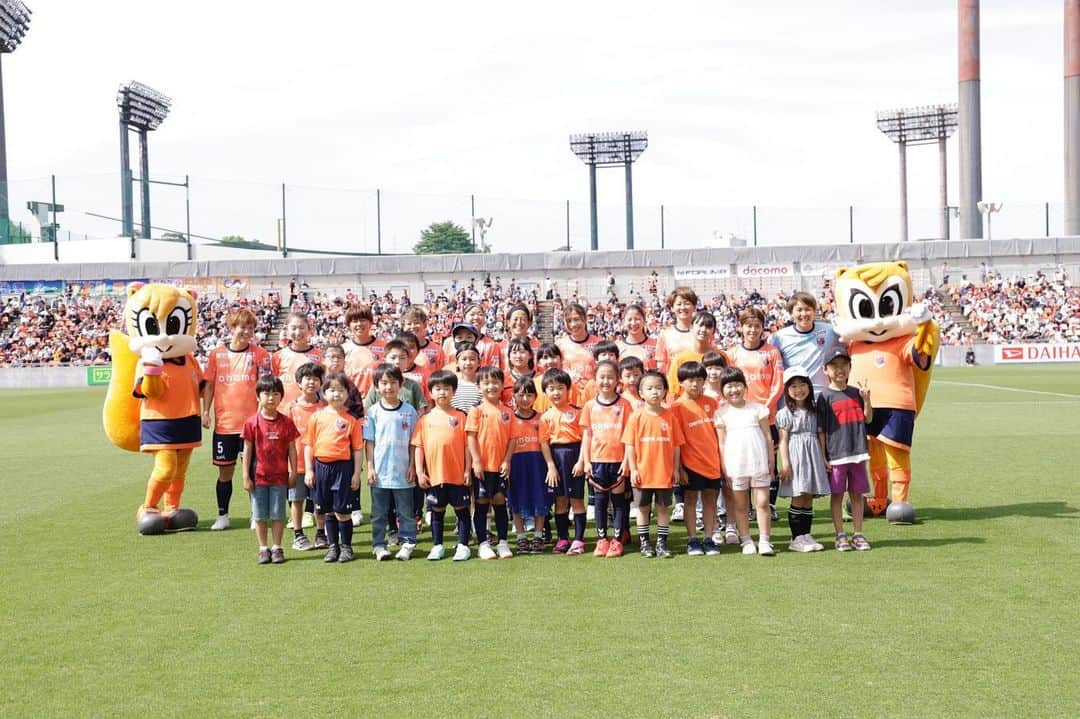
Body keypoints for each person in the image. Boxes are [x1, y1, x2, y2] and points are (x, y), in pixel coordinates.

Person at [202, 308, 273, 531]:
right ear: (232, 328)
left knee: (254, 471)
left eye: (251, 328)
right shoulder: (216, 354)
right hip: (225, 425)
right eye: (242, 327)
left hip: (251, 425)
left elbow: (265, 387)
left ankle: (256, 515)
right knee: (225, 472)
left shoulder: (261, 355)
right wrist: (205, 411)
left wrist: (261, 416)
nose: (246, 332)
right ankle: (223, 516)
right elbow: (210, 385)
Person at [728, 307, 785, 520]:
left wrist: (766, 407)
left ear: (763, 328)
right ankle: (749, 507)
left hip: (765, 416)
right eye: (748, 326)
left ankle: (768, 504)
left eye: (757, 326)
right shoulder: (733, 353)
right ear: (741, 328)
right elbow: (729, 383)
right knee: (745, 460)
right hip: (740, 418)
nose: (752, 330)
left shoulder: (771, 352)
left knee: (769, 460)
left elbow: (777, 382)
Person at [621, 370, 685, 558]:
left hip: (664, 473)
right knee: (643, 508)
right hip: (642, 472)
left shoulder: (670, 417)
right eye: (649, 388)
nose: (655, 392)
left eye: (659, 388)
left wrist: (675, 469)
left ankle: (661, 543)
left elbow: (676, 446)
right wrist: (632, 469)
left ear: (665, 391)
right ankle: (645, 543)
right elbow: (630, 445)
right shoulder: (636, 417)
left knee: (663, 508)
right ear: (641, 393)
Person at [412, 371, 474, 561]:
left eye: (447, 389)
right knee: (436, 511)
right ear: (430, 392)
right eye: (438, 389)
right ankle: (437, 545)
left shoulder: (461, 416)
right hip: (435, 475)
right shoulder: (424, 420)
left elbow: (467, 446)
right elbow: (418, 447)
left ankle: (463, 545)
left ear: (453, 391)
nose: (442, 393)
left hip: (457, 474)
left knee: (462, 509)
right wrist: (420, 472)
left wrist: (467, 470)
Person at [817, 348, 874, 552]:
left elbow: (868, 419)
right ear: (826, 369)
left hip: (858, 452)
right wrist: (824, 456)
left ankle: (858, 533)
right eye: (835, 365)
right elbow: (821, 431)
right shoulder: (824, 397)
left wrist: (866, 399)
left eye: (844, 365)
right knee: (838, 495)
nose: (840, 370)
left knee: (857, 495)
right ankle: (840, 534)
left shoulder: (856, 393)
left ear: (850, 368)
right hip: (837, 455)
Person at [715, 367, 776, 556]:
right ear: (722, 390)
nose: (734, 390)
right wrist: (725, 468)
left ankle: (765, 540)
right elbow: (722, 443)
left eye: (737, 385)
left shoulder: (757, 408)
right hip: (736, 464)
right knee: (740, 505)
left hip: (758, 461)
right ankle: (746, 539)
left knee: (763, 502)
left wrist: (771, 461)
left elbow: (768, 437)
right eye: (728, 386)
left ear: (745, 386)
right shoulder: (721, 413)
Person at [303, 372, 364, 563]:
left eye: (340, 390)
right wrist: (309, 470)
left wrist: (356, 473)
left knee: (343, 511)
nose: (336, 394)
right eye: (331, 390)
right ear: (324, 393)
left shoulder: (351, 420)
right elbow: (309, 445)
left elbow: (357, 449)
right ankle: (332, 546)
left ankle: (346, 547)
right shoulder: (316, 417)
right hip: (321, 467)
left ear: (347, 394)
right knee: (326, 510)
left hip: (343, 468)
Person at [364, 364, 420, 561]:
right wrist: (370, 467)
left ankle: (407, 543)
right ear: (377, 386)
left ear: (400, 384)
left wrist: (413, 465)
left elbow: (414, 442)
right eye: (384, 383)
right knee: (378, 512)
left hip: (403, 471)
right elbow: (369, 442)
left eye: (393, 383)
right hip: (380, 472)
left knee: (406, 511)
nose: (389, 387)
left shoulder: (410, 411)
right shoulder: (372, 412)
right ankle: (379, 545)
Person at [241, 375, 299, 564]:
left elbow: (292, 448)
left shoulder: (287, 422)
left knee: (278, 514)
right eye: (266, 394)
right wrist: (245, 476)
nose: (271, 398)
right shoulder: (252, 423)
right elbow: (247, 450)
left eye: (275, 394)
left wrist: (293, 471)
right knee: (259, 515)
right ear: (258, 396)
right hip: (259, 477)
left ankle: (277, 547)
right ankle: (263, 548)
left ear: (281, 397)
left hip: (280, 477)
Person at [579, 360, 631, 558]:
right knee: (599, 501)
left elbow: (628, 436)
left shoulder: (625, 405)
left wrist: (627, 460)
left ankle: (617, 540)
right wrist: (586, 460)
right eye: (602, 377)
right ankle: (602, 540)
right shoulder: (590, 406)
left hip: (618, 460)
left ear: (618, 380)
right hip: (597, 460)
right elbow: (587, 435)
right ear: (595, 379)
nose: (606, 381)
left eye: (610, 377)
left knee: (618, 502)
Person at [672, 362, 723, 556]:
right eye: (691, 380)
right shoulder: (676, 407)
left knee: (711, 499)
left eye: (700, 380)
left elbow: (718, 433)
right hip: (690, 463)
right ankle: (693, 539)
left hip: (712, 462)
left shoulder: (712, 402)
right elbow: (676, 441)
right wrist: (680, 468)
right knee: (690, 499)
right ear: (681, 382)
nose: (696, 384)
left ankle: (709, 538)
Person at [776, 366, 829, 553]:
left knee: (808, 497)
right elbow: (783, 440)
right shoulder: (785, 413)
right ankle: (796, 537)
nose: (799, 390)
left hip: (812, 454)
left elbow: (820, 435)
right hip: (796, 456)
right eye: (794, 386)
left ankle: (806, 534)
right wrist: (786, 463)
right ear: (787, 391)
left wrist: (823, 458)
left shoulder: (815, 411)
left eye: (802, 384)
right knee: (798, 496)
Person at [466, 366, 516, 559]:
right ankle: (483, 543)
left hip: (500, 467)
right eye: (486, 383)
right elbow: (471, 437)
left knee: (499, 501)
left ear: (502, 385)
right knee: (481, 503)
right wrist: (476, 462)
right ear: (479, 386)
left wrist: (506, 460)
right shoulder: (476, 410)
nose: (491, 386)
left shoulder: (507, 412)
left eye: (495, 382)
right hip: (482, 468)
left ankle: (503, 542)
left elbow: (512, 439)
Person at [539, 368, 587, 554]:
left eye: (560, 388)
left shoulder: (577, 412)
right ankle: (562, 538)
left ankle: (579, 540)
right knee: (560, 501)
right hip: (556, 457)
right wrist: (551, 466)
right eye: (551, 388)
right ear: (545, 392)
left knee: (576, 500)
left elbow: (585, 439)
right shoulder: (545, 416)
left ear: (568, 389)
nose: (556, 392)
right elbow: (544, 443)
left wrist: (581, 461)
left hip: (574, 455)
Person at [286, 362, 327, 550]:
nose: (311, 382)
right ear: (299, 383)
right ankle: (298, 534)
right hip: (297, 464)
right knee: (297, 499)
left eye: (316, 379)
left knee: (320, 500)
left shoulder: (324, 408)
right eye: (307, 379)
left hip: (321, 463)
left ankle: (321, 533)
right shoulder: (290, 409)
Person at [769, 291, 842, 396]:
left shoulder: (830, 331)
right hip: (794, 398)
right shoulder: (780, 337)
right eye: (799, 310)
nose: (804, 314)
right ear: (791, 313)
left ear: (814, 311)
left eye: (808, 309)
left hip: (821, 397)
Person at [506, 376, 549, 554]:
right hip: (516, 463)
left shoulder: (541, 418)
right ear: (514, 396)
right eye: (521, 394)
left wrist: (550, 465)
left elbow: (545, 442)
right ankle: (521, 537)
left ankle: (538, 535)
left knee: (540, 499)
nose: (525, 399)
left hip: (537, 463)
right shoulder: (508, 417)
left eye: (529, 395)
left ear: (535, 397)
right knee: (516, 500)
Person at [272, 312, 324, 410]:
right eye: (294, 328)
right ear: (287, 331)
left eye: (302, 328)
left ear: (309, 330)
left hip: (311, 412)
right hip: (284, 412)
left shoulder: (319, 356)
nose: (298, 332)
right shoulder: (277, 356)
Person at [667, 309, 719, 399]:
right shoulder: (681, 359)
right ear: (691, 327)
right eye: (700, 325)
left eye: (708, 327)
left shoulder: (720, 356)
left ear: (713, 331)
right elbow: (673, 392)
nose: (703, 330)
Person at [556, 302, 601, 402]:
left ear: (585, 319)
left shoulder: (599, 343)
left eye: (576, 319)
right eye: (569, 321)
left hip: (594, 397)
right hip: (569, 398)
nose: (573, 324)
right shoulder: (559, 345)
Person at [655, 286, 699, 375]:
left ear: (694, 307)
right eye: (679, 304)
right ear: (672, 308)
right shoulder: (665, 334)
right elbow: (661, 365)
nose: (683, 307)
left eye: (687, 303)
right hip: (674, 383)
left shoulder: (701, 333)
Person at [342, 304, 379, 397]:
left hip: (379, 402)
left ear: (370, 322)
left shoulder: (385, 347)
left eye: (362, 320)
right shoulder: (343, 349)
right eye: (354, 321)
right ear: (349, 325)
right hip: (352, 402)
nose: (359, 324)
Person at [402, 306, 447, 372]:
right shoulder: (397, 349)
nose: (412, 326)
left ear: (425, 324)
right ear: (403, 327)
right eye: (409, 324)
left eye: (416, 323)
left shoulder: (437, 350)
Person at [617, 303, 658, 370]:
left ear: (644, 321)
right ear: (623, 322)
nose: (633, 323)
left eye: (637, 319)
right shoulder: (618, 347)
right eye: (629, 320)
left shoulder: (655, 345)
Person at [450, 342, 484, 411]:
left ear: (479, 363)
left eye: (472, 359)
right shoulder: (452, 385)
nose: (468, 363)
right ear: (457, 363)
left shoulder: (483, 385)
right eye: (464, 359)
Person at [503, 336, 535, 407]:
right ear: (509, 357)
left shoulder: (539, 378)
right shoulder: (503, 379)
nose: (518, 356)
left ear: (530, 355)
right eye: (514, 352)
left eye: (522, 352)